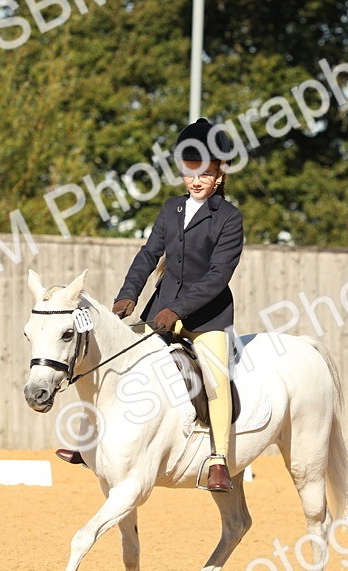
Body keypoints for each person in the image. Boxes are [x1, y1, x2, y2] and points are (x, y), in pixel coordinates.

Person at [56, 118, 244, 492]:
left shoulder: (229, 218)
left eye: (205, 174)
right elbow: (148, 255)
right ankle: (89, 442)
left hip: (207, 319)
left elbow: (217, 277)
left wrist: (179, 310)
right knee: (113, 359)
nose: (196, 181)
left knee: (215, 379)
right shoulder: (171, 209)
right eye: (190, 172)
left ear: (219, 175)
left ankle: (219, 457)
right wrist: (129, 293)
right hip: (160, 310)